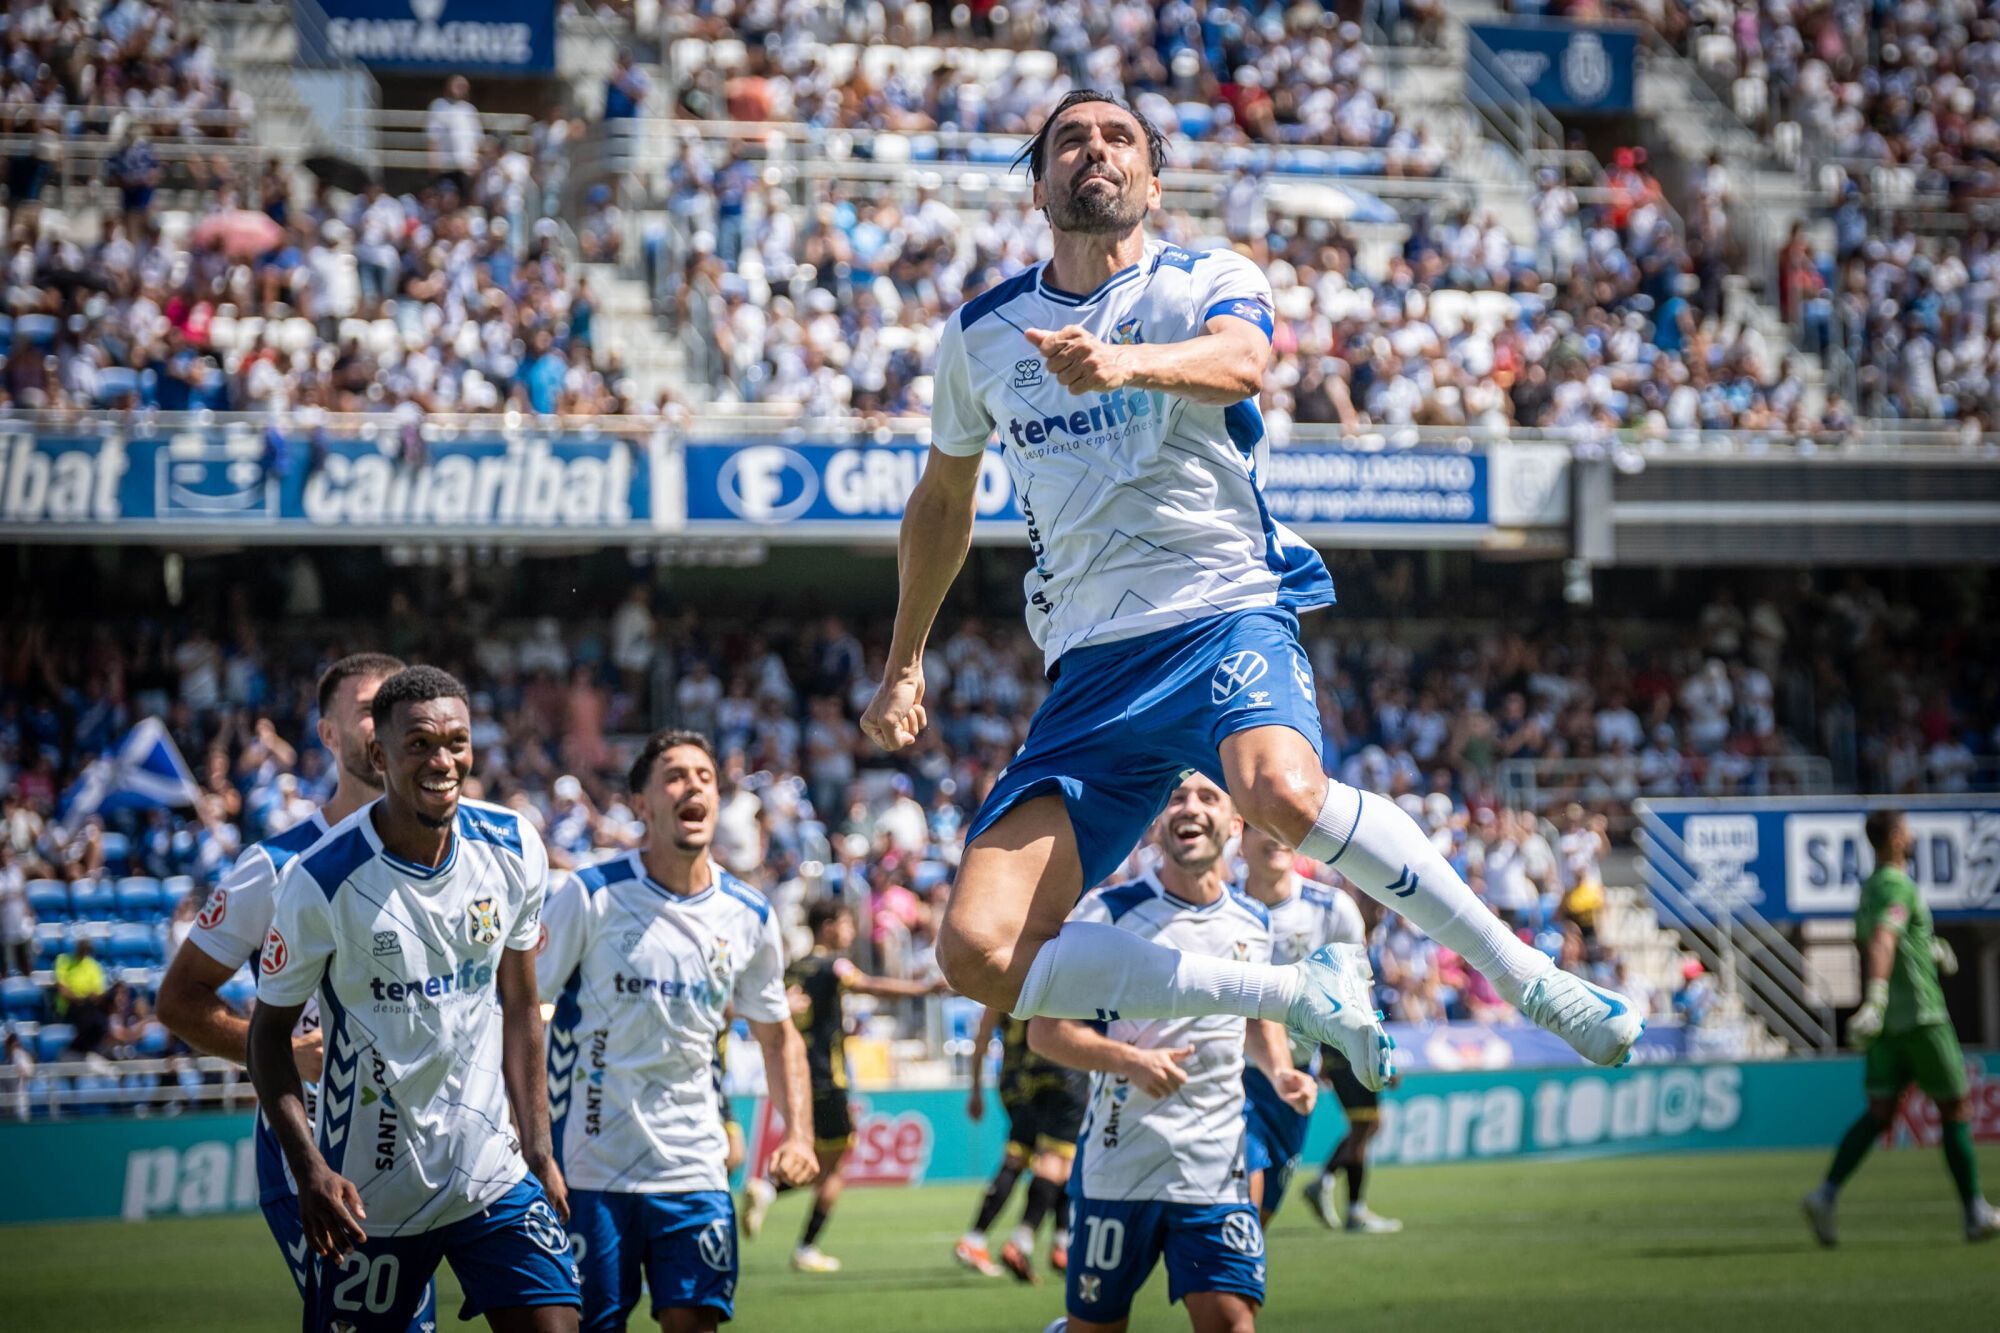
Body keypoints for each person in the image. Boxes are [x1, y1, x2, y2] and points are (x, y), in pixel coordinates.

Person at [859, 89, 1640, 1091]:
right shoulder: (981, 335)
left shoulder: (1207, 278)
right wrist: (903, 662)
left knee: (1279, 792)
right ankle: (1291, 991)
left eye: (1117, 138)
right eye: (1069, 141)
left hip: (1221, 610)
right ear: (1039, 185)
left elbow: (1243, 362)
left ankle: (1526, 976)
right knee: (976, 950)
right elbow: (941, 502)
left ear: (1151, 181)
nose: (1093, 151)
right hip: (1089, 667)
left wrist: (1122, 365)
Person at [248, 666, 583, 1332]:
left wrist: (539, 1148)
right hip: (370, 1194)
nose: (442, 760)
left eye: (456, 742)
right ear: (379, 754)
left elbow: (522, 1004)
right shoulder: (320, 880)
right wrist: (309, 1170)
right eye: (420, 743)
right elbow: (267, 1038)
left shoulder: (514, 845)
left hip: (490, 1172)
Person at [157, 653, 435, 1319]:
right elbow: (178, 1000)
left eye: (399, 707)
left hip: (434, 1150)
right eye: (368, 709)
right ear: (328, 735)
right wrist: (278, 1049)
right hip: (318, 1153)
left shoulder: (453, 856)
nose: (387, 722)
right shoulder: (276, 865)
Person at [535, 730, 820, 1333]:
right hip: (590, 1168)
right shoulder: (592, 895)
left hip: (695, 1168)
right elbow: (523, 1011)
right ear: (642, 803)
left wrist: (799, 1135)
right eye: (674, 776)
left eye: (705, 777)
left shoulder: (748, 914)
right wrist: (528, 1140)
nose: (693, 786)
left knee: (694, 1322)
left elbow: (778, 1036)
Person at [1029, 775, 1311, 1333]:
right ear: (1157, 821)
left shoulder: (1255, 922)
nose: (1191, 807)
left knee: (1232, 1323)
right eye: (1177, 797)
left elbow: (1256, 1019)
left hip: (1215, 1165)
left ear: (1235, 824)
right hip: (1120, 1165)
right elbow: (1046, 1032)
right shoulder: (1108, 912)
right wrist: (1129, 1061)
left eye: (1209, 797)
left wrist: (1281, 1071)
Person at [1802, 809, 1996, 1244]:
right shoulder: (1897, 885)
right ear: (1894, 838)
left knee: (1880, 1113)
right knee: (1956, 1109)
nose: (1912, 834)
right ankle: (1974, 1212)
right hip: (1922, 1017)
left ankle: (1825, 1193)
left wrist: (1929, 948)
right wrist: (1876, 996)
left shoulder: (1870, 888)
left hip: (1887, 1028)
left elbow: (1891, 939)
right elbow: (1883, 941)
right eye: (1906, 829)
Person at [740, 897, 945, 1273]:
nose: (851, 931)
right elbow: (870, 985)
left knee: (815, 1157)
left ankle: (769, 1191)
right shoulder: (835, 965)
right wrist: (923, 990)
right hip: (828, 1078)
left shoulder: (793, 968)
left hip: (795, 1076)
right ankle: (804, 1245)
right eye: (847, 923)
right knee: (832, 1169)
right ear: (829, 926)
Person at [1232, 826, 1395, 1231]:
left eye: (1280, 825)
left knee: (1258, 1219)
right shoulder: (1217, 907)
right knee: (1238, 1211)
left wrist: (1362, 1046)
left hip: (1294, 1080)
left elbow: (1353, 997)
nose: (1275, 836)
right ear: (1240, 838)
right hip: (1227, 1075)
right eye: (1260, 826)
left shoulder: (1332, 909)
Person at [958, 1003, 1088, 1281]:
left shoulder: (1002, 986)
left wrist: (976, 1089)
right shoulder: (1057, 979)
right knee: (1060, 1159)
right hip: (1063, 1071)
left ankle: (1059, 1244)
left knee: (1028, 1156)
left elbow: (982, 1036)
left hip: (1019, 1078)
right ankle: (1025, 1242)